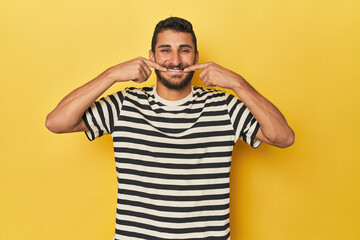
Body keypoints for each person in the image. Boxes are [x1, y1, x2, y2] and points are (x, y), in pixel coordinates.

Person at [46, 17, 294, 240]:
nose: (175, 61)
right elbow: (57, 122)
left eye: (184, 51)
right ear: (151, 57)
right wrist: (111, 75)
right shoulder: (125, 104)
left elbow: (283, 137)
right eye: (166, 50)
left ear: (196, 58)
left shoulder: (224, 106)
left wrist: (238, 84)